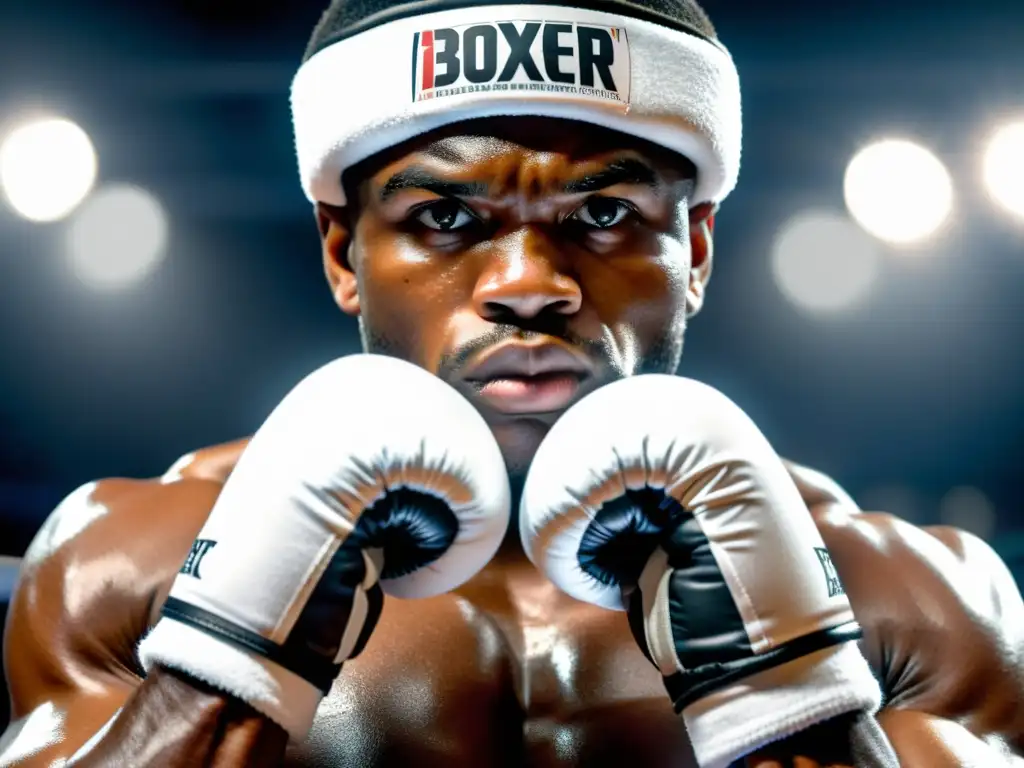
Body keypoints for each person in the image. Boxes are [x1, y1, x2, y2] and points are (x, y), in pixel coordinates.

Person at [2, 1, 1023, 766]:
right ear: (343, 252)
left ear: (696, 251)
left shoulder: (911, 597)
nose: (530, 287)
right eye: (446, 220)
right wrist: (224, 661)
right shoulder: (128, 564)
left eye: (604, 216)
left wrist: (789, 693)